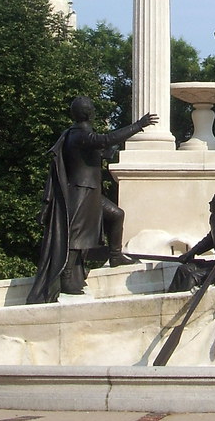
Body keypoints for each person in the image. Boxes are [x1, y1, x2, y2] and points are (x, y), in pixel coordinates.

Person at [26, 97, 158, 304]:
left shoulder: (78, 135)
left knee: (116, 215)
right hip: (80, 192)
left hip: (90, 191)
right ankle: (68, 277)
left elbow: (101, 148)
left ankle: (115, 256)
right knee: (75, 235)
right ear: (89, 114)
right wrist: (139, 125)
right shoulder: (78, 135)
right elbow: (105, 140)